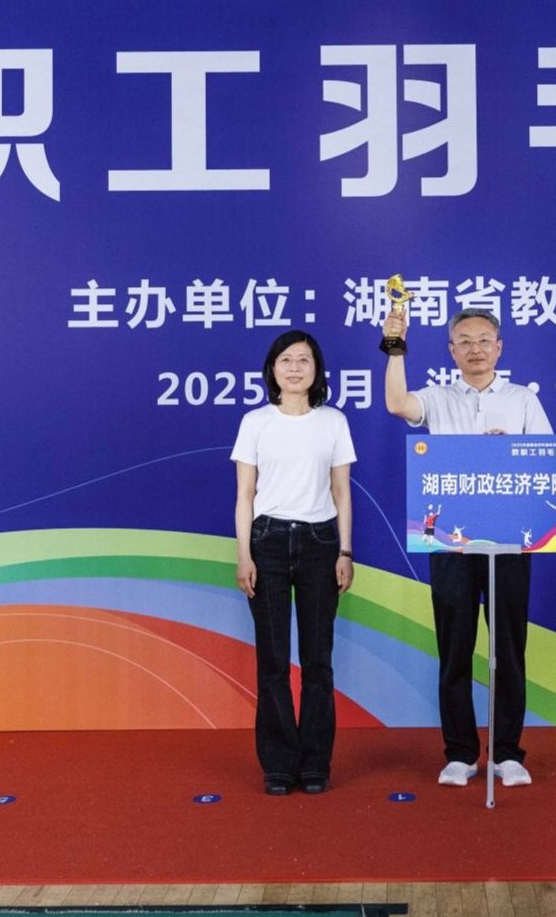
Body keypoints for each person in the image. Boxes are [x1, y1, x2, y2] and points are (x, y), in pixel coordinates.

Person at [382, 306, 550, 788]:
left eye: (484, 340)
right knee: (454, 648)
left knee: (508, 649)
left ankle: (507, 753)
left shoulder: (522, 400)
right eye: (465, 342)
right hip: (450, 542)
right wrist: (395, 347)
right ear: (451, 351)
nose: (475, 349)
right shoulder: (438, 398)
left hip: (509, 541)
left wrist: (509, 452)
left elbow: (547, 462)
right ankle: (459, 753)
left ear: (500, 347)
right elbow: (397, 404)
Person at [232, 330, 356, 795]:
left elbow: (342, 492)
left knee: (318, 660)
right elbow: (245, 495)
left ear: (317, 370)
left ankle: (316, 763)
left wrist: (345, 551)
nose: (295, 368)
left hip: (320, 542)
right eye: (286, 360)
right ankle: (279, 763)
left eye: (304, 360)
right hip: (266, 542)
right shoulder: (255, 422)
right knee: (273, 661)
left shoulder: (333, 422)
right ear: (272, 369)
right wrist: (243, 554)